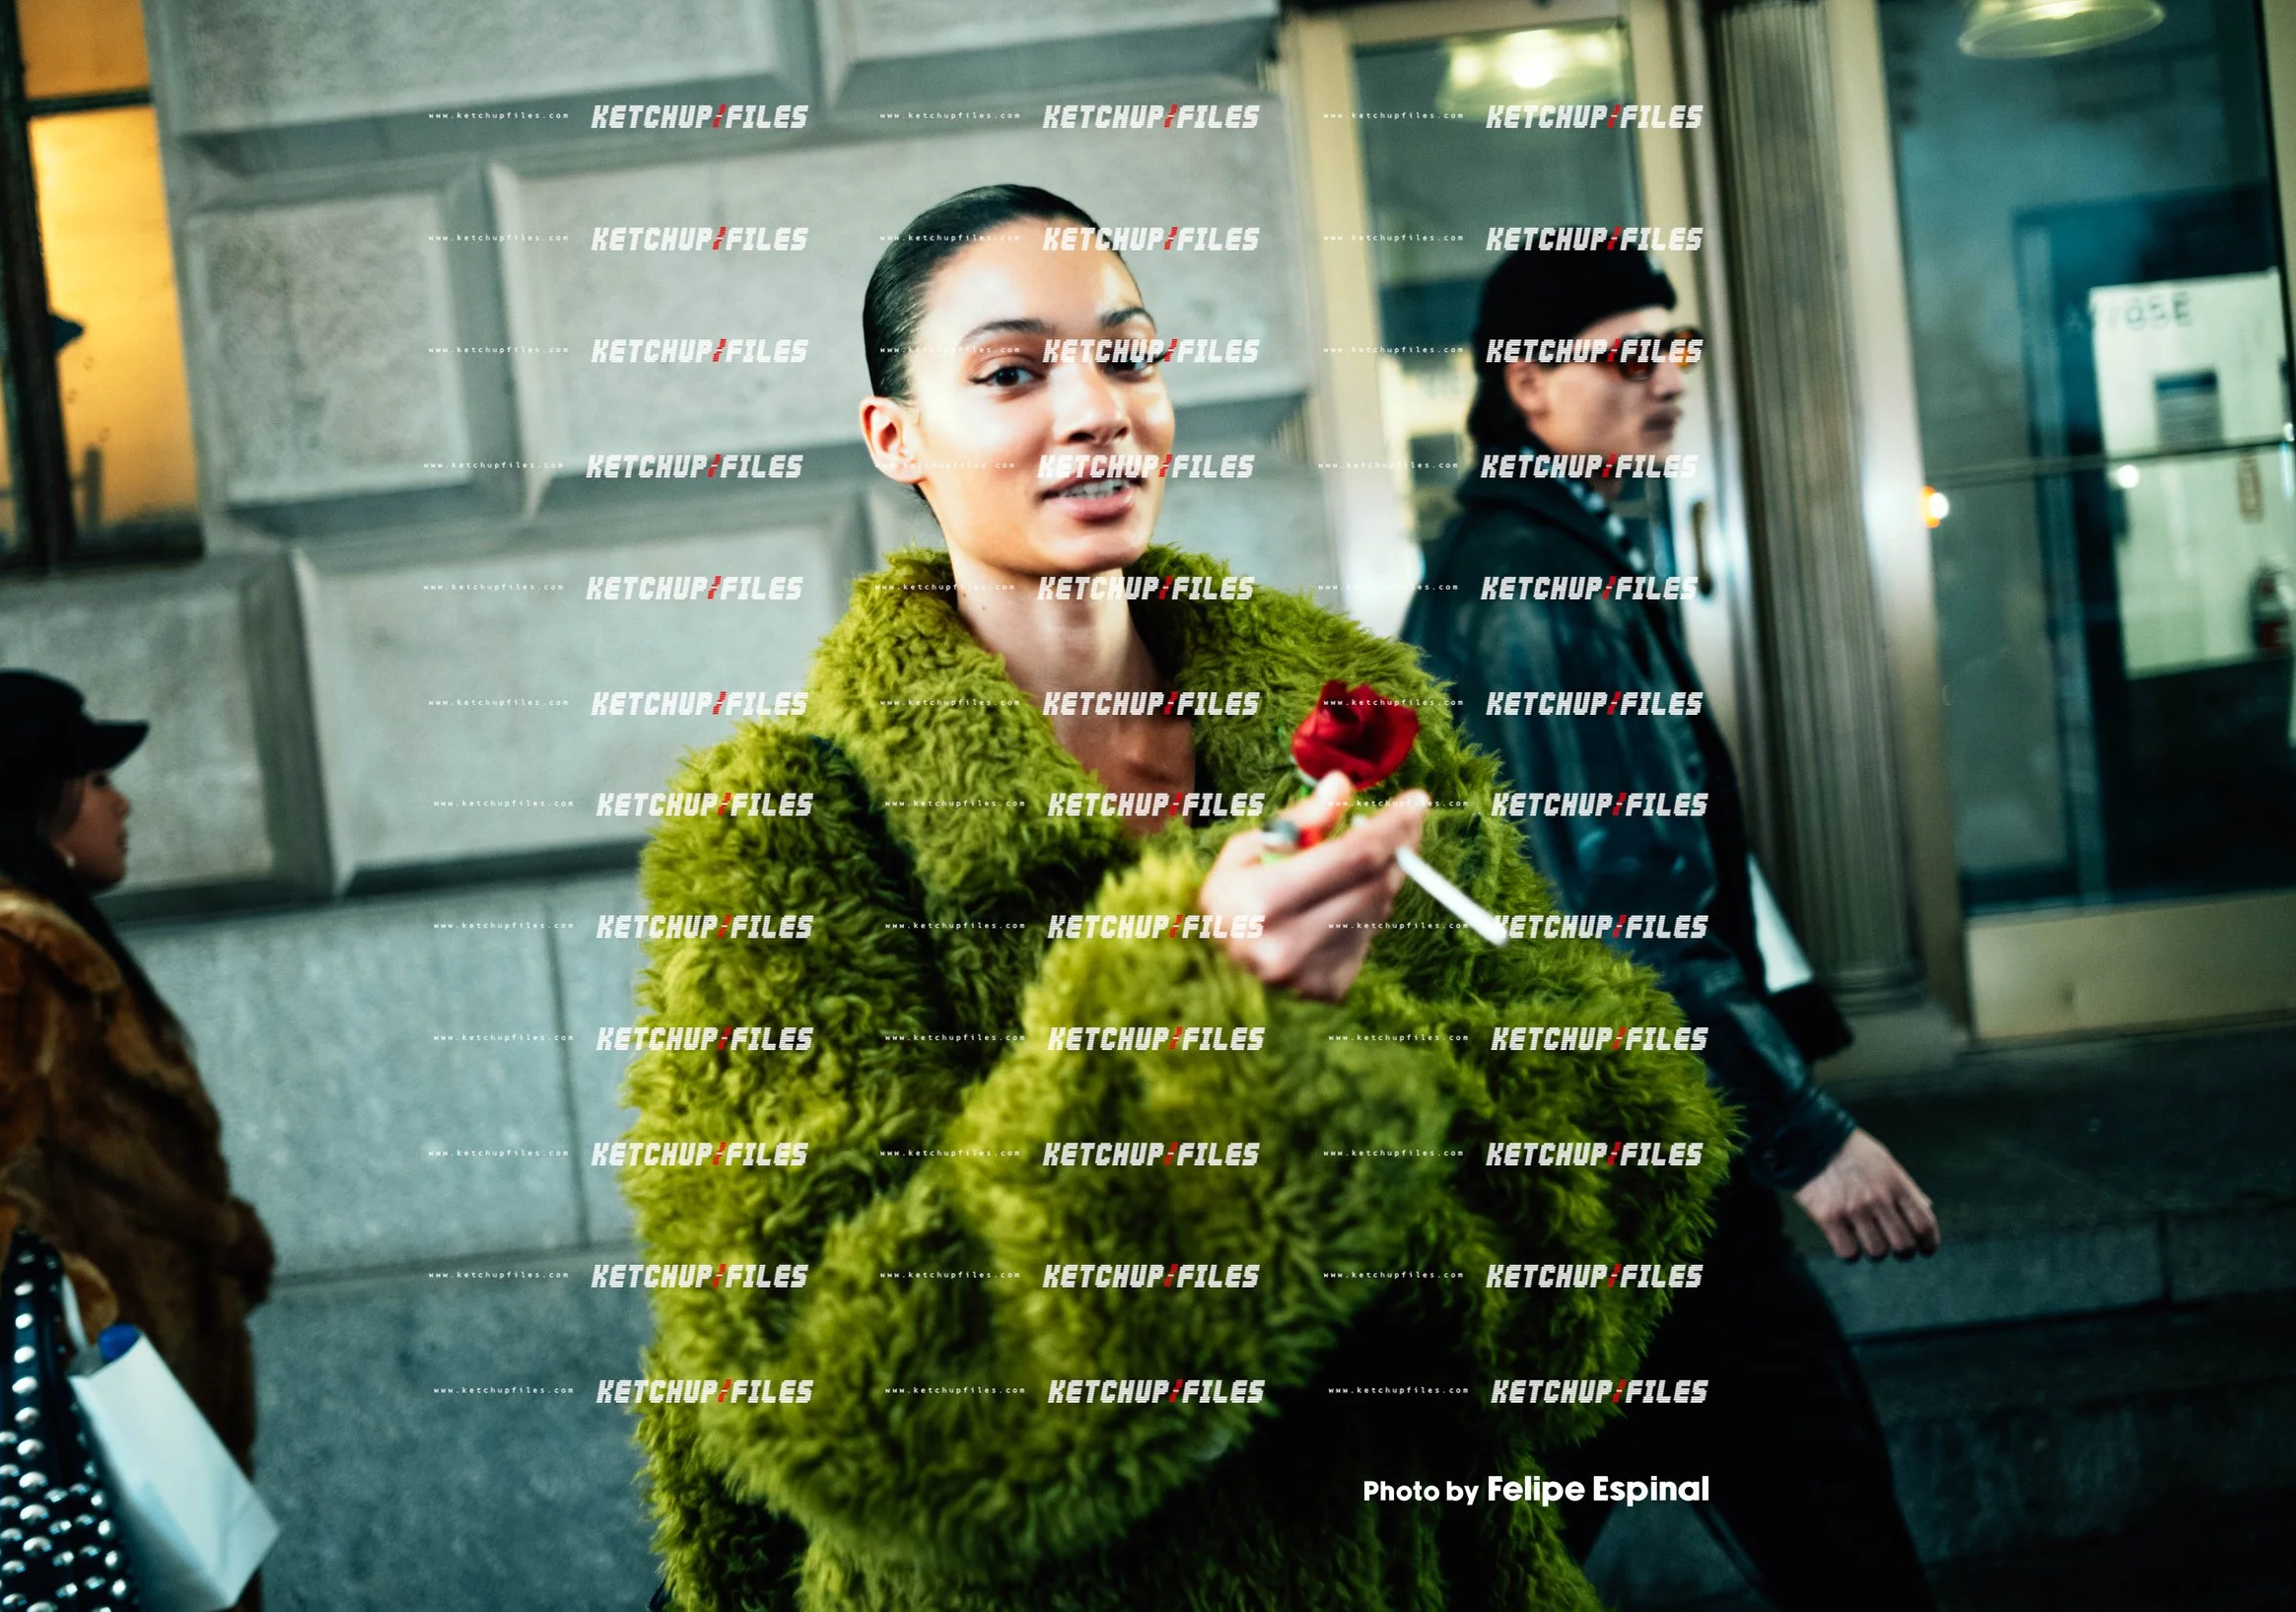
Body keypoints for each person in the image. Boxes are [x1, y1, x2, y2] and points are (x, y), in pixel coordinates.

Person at [614, 184, 1734, 1612]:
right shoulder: (792, 825)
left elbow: (1628, 1142)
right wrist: (1201, 1021)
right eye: (1014, 371)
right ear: (897, 439)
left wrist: (1363, 1101)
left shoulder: (1346, 716)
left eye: (1129, 355)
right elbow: (842, 1398)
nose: (1096, 411)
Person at [1400, 248, 1941, 1610]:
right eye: (1626, 352)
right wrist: (1805, 1129)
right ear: (1527, 382)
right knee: (1803, 1474)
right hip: (1639, 1128)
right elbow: (1617, 906)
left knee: (1631, 1487)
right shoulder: (1532, 585)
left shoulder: (1563, 549)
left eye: (1675, 343)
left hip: (1624, 1127)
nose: (1666, 378)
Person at [0, 671, 274, 1612]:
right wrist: (69, 1307)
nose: (122, 799)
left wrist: (212, 1234)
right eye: (97, 775)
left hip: (95, 1482)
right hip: (46, 1486)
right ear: (38, 799)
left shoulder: (35, 952)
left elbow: (92, 1162)